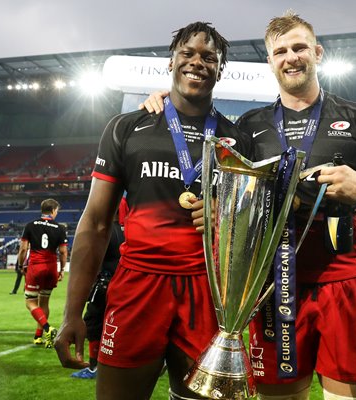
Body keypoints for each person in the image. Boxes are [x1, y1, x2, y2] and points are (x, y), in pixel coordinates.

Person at [141, 11, 356, 399]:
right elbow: (206, 156)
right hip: (272, 291)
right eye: (280, 51)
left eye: (300, 47)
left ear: (317, 53)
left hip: (341, 279)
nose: (291, 57)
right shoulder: (249, 127)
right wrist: (165, 98)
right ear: (270, 62)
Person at [53, 22, 252, 400]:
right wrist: (71, 313)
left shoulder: (236, 140)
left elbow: (251, 225)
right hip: (138, 287)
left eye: (210, 57)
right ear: (171, 62)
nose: (198, 62)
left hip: (207, 292)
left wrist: (224, 218)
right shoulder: (127, 128)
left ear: (220, 69)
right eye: (188, 53)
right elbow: (96, 224)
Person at [70, 203, 125, 379]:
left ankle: (94, 368)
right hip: (122, 283)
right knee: (116, 324)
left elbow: (93, 262)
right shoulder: (125, 231)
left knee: (93, 323)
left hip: (104, 284)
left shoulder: (104, 232)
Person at [17, 198, 68, 347]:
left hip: (36, 267)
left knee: (30, 302)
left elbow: (23, 249)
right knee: (44, 302)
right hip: (51, 267)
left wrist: (21, 265)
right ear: (53, 210)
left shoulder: (30, 225)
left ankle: (47, 328)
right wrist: (62, 269)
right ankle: (39, 336)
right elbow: (63, 252)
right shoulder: (60, 228)